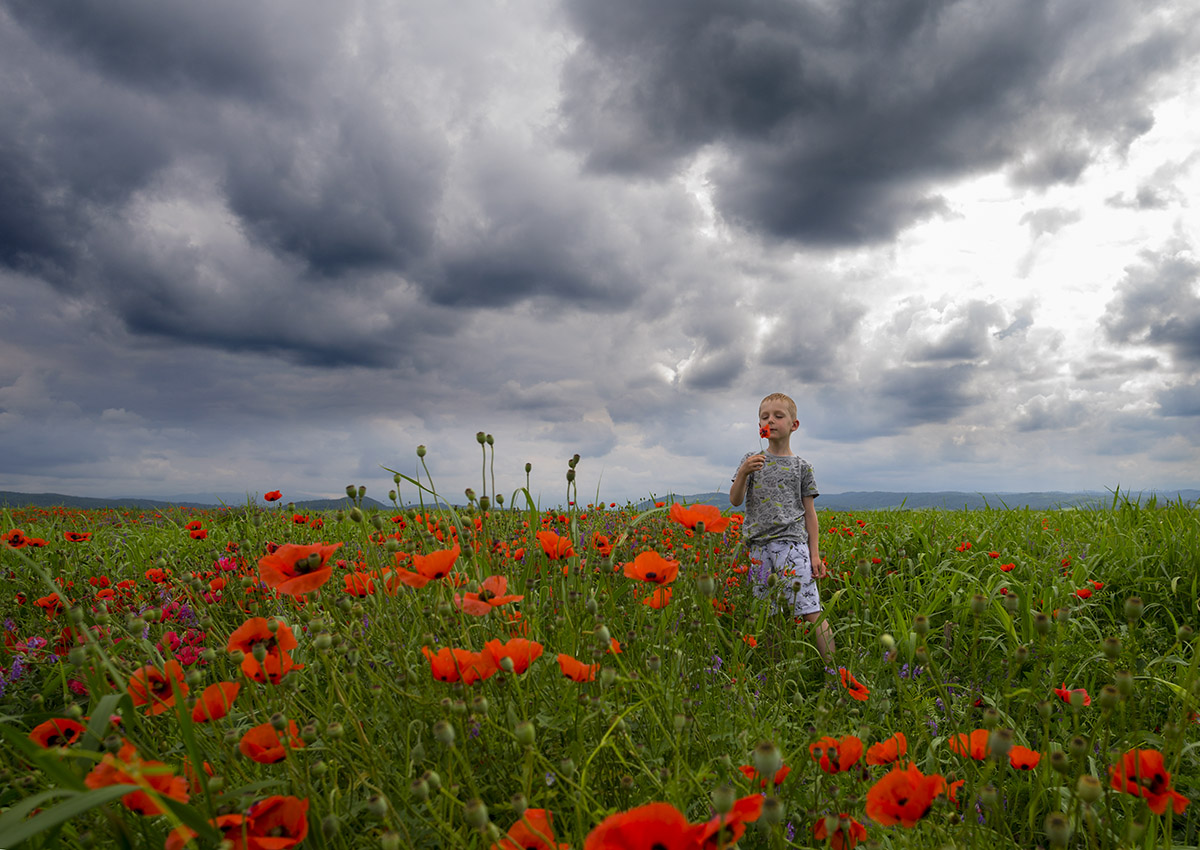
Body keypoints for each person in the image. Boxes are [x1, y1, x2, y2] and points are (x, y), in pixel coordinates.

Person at [730, 392, 834, 661]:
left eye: (778, 416)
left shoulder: (802, 467)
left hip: (792, 546)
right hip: (757, 549)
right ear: (759, 426)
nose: (771, 421)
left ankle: (835, 673)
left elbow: (810, 514)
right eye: (764, 417)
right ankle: (774, 675)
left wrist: (814, 554)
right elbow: (735, 500)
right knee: (768, 614)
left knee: (811, 610)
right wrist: (743, 472)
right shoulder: (751, 460)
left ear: (794, 425)